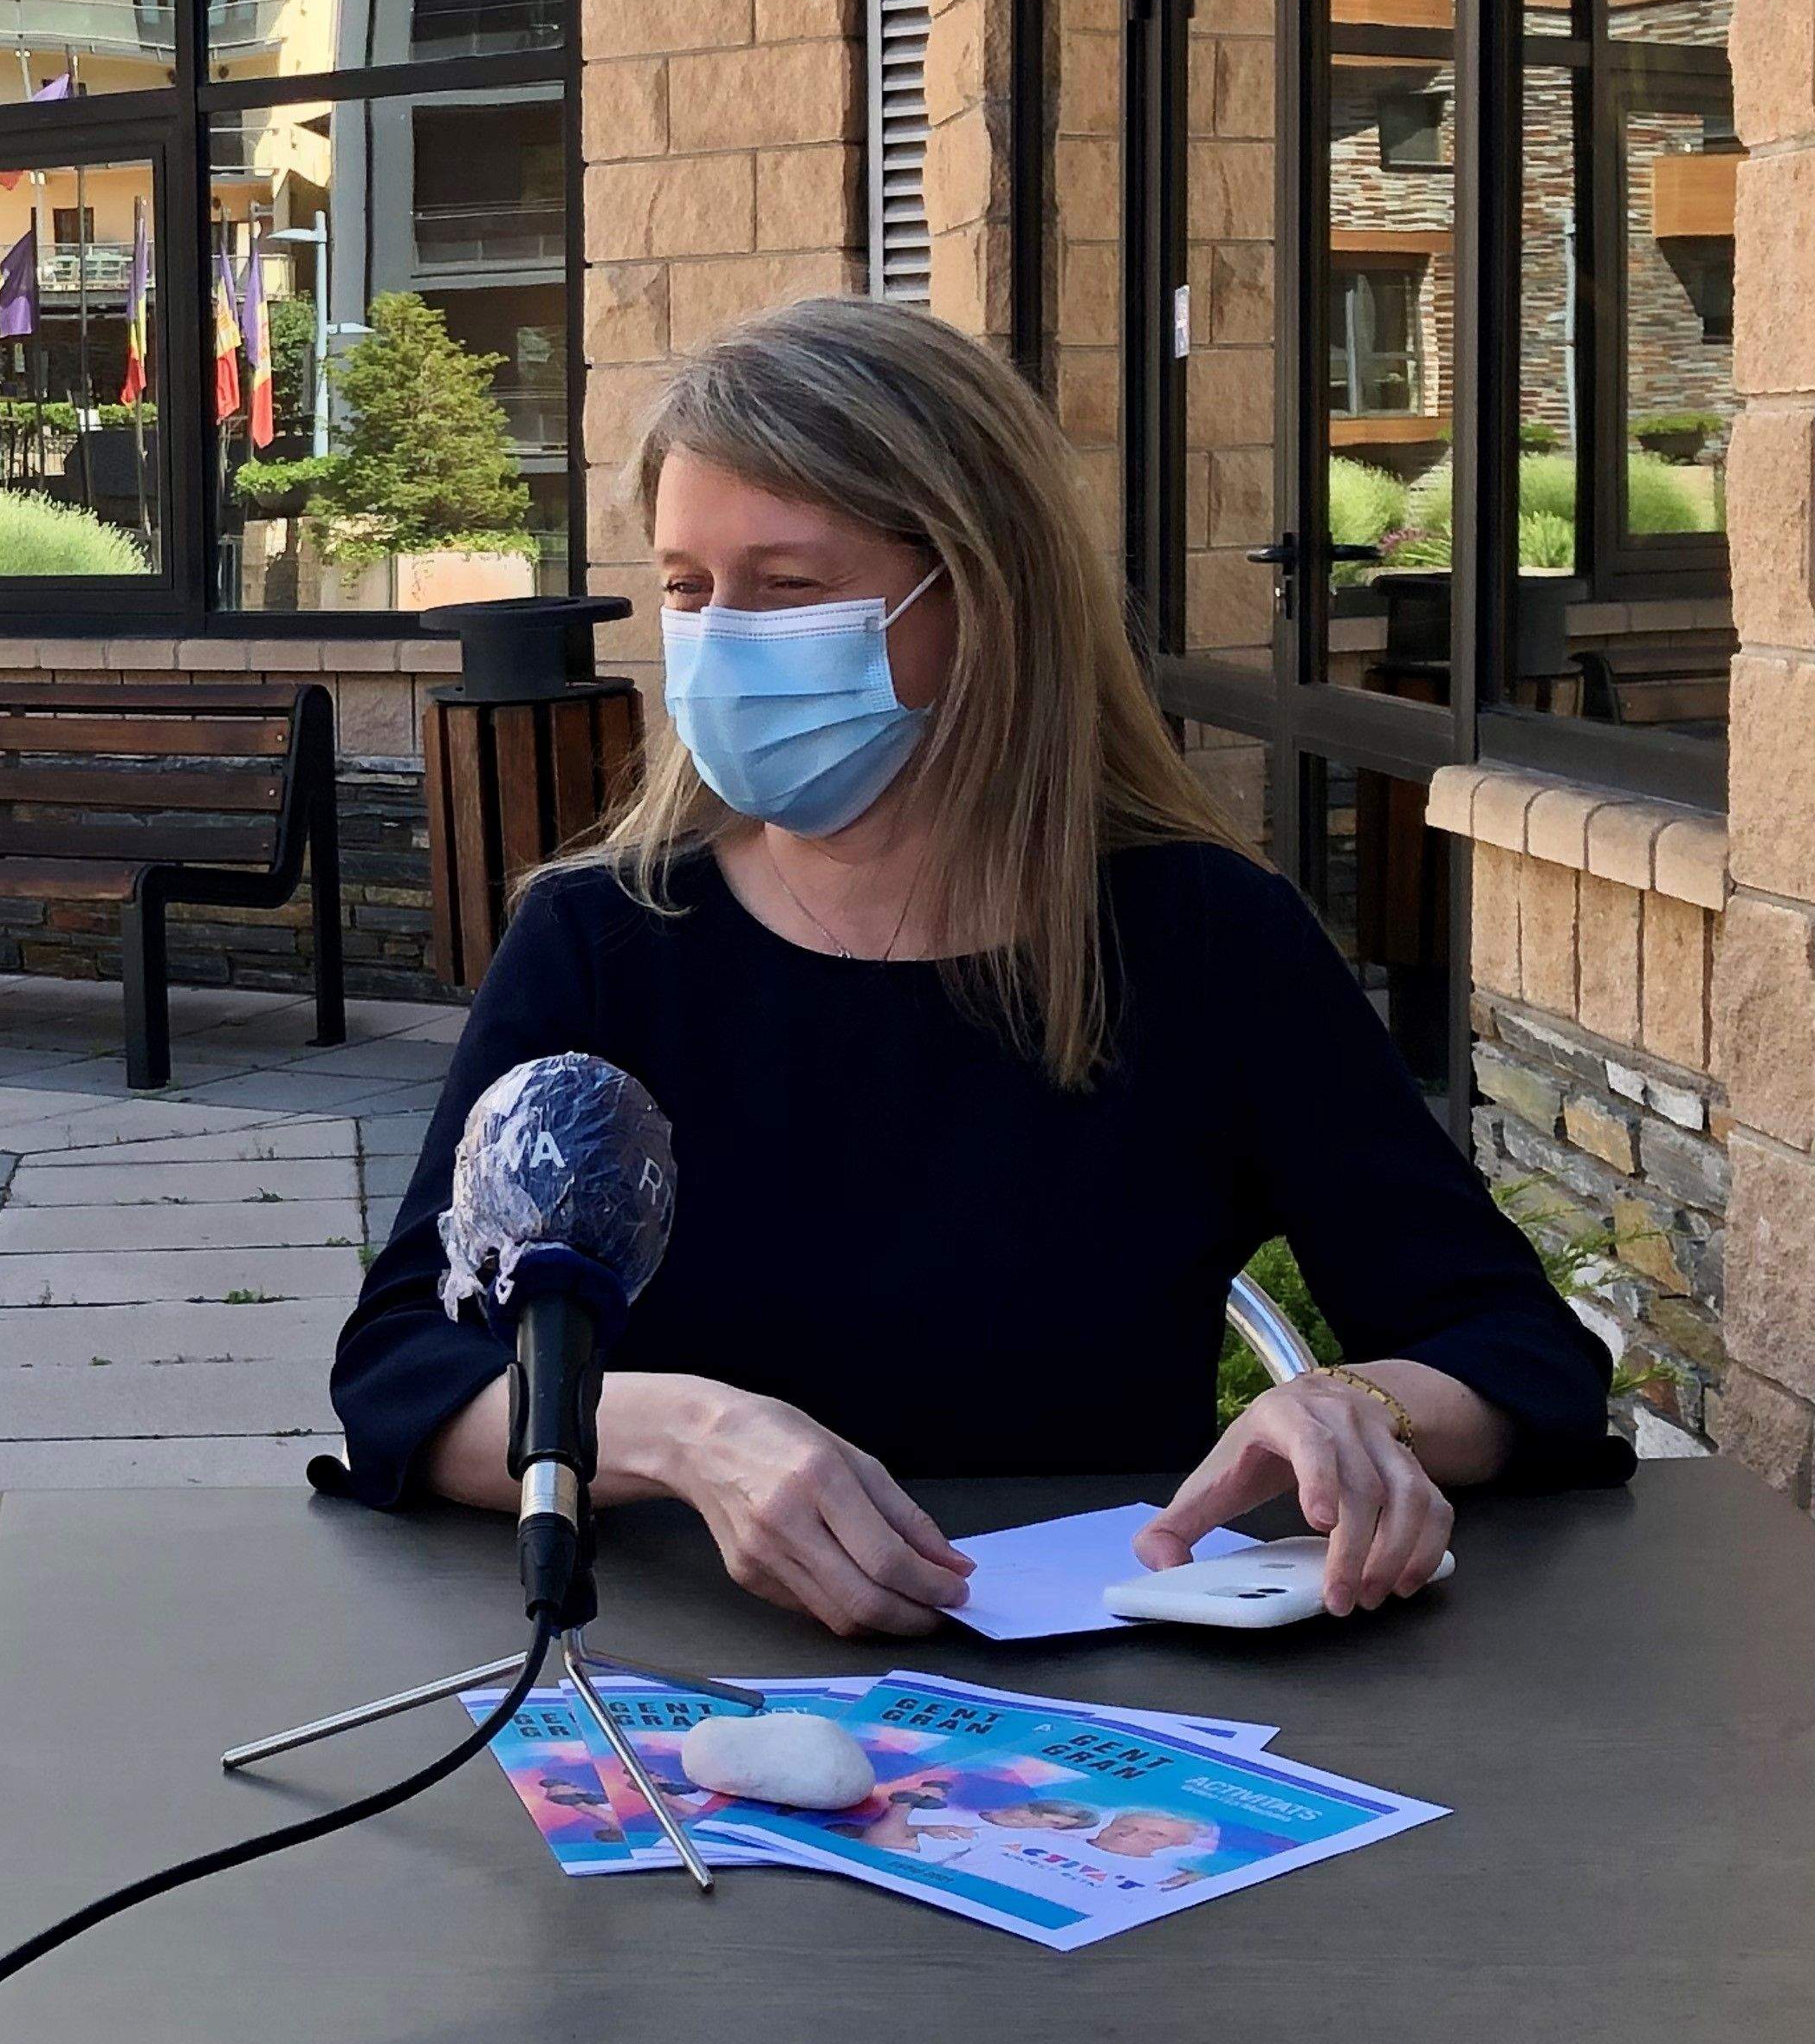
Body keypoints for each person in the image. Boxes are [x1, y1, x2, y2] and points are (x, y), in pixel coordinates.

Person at [328, 299, 1626, 1637]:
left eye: (787, 587)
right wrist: (674, 1432)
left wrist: (1365, 1406)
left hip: (1107, 1698)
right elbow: (407, 1373)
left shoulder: (1204, 938)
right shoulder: (602, 941)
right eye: (687, 590)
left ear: (983, 598)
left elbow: (1515, 1351)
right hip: (680, 1688)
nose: (721, 641)